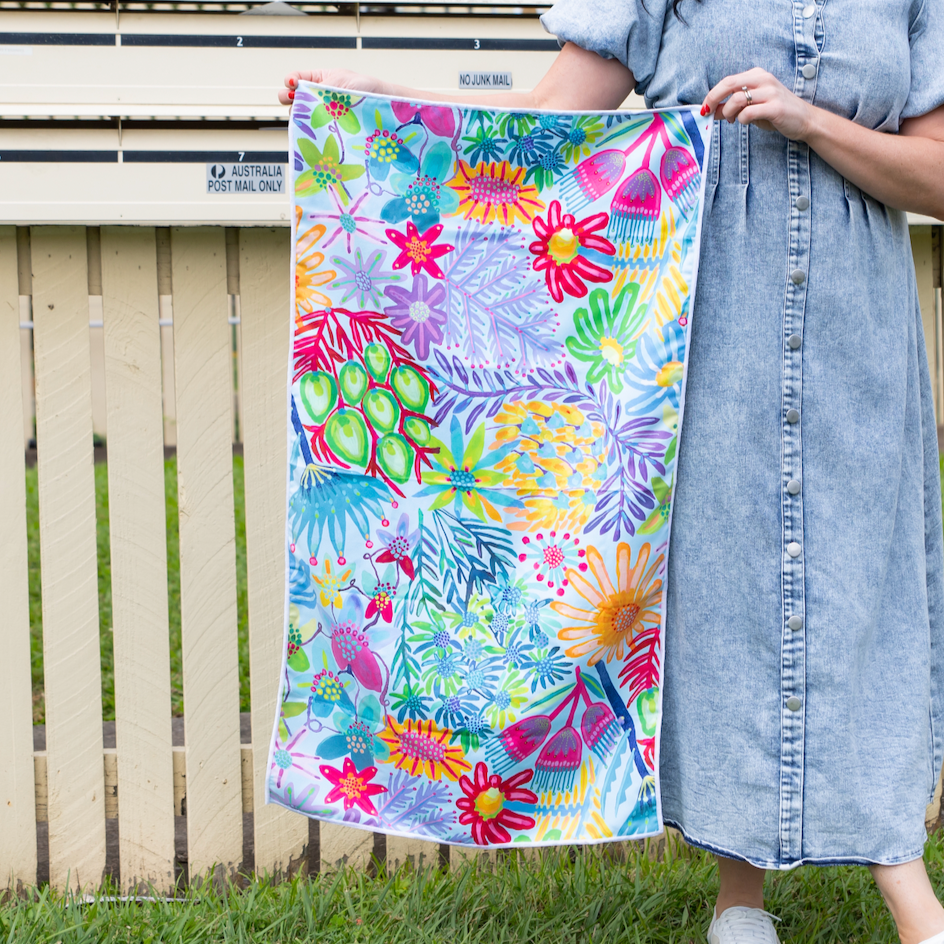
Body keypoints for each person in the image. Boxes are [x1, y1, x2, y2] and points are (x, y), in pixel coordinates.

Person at [278, 1, 944, 939]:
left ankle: (902, 880)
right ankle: (739, 899)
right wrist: (383, 97)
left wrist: (810, 122)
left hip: (854, 327)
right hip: (699, 319)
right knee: (717, 589)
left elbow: (938, 173)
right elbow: (550, 118)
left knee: (862, 587)